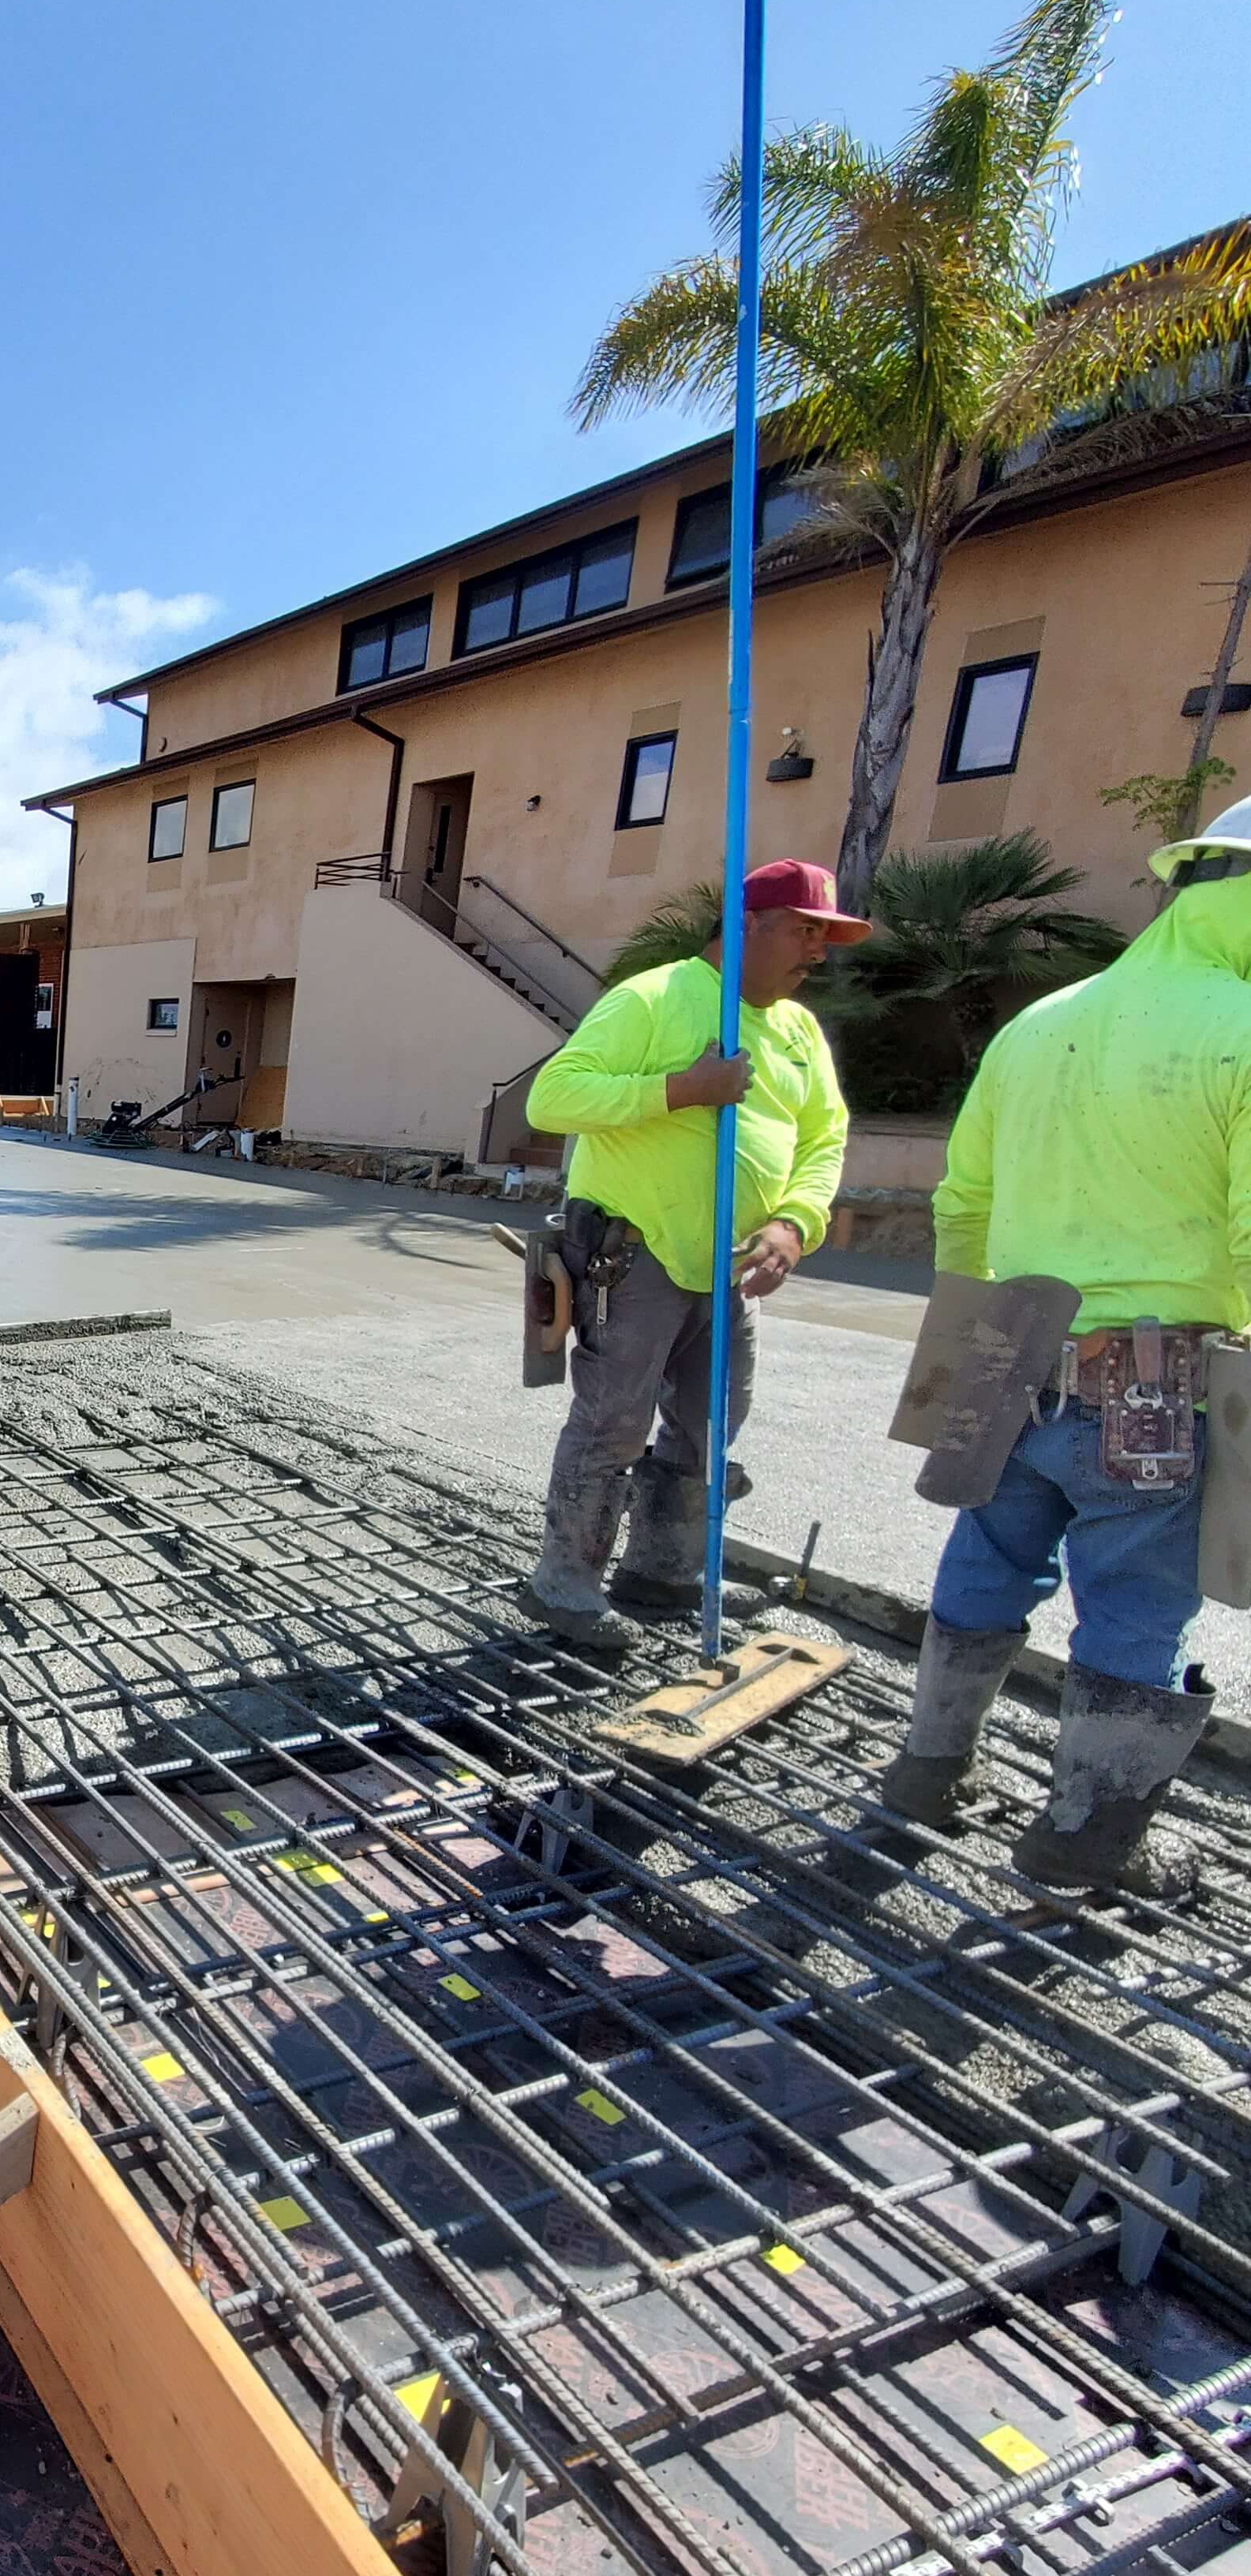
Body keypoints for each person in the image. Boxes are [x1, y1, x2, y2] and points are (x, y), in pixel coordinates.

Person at [876, 798, 1251, 1899]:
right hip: (1148, 1389)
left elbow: (964, 1198)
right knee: (1136, 1608)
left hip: (1011, 1360)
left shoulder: (1040, 1024)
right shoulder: (1241, 1026)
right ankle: (1083, 1843)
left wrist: (966, 1335)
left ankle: (927, 1773)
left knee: (989, 1564)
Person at [519, 856, 862, 1651]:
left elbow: (824, 1137)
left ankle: (662, 1573)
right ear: (745, 928)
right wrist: (678, 1090)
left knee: (713, 1418)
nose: (817, 952)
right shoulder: (657, 997)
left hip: (723, 1262)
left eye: (825, 937)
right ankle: (563, 1584)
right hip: (631, 1252)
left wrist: (794, 1223)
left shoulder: (799, 1030)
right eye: (804, 931)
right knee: (614, 1418)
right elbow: (554, 1097)